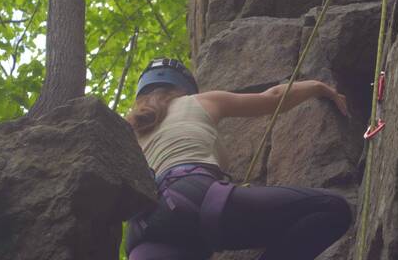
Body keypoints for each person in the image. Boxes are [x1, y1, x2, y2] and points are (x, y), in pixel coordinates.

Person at [125, 58, 352, 260]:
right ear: (184, 88)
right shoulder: (198, 101)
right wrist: (318, 87)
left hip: (143, 232)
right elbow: (273, 98)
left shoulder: (127, 132)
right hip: (192, 196)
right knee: (331, 208)